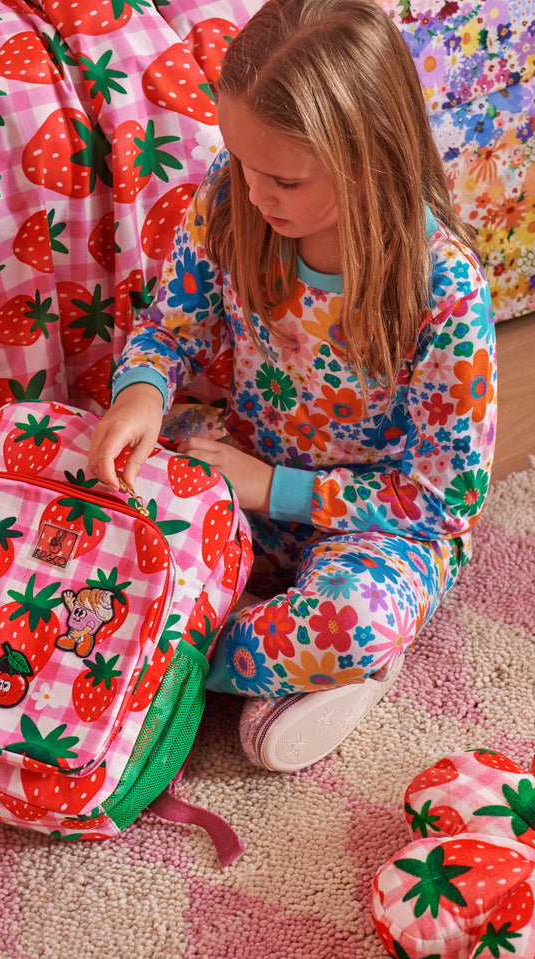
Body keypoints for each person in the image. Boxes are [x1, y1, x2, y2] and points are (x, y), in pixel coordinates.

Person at [88, 0, 496, 772]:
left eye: (281, 177)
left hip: (373, 524)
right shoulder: (232, 198)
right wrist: (141, 393)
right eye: (240, 160)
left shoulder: (443, 287)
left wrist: (273, 488)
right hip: (240, 464)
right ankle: (256, 659)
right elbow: (169, 328)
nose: (253, 190)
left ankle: (171, 663)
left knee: (353, 619)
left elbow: (444, 500)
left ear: (371, 161)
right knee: (91, 478)